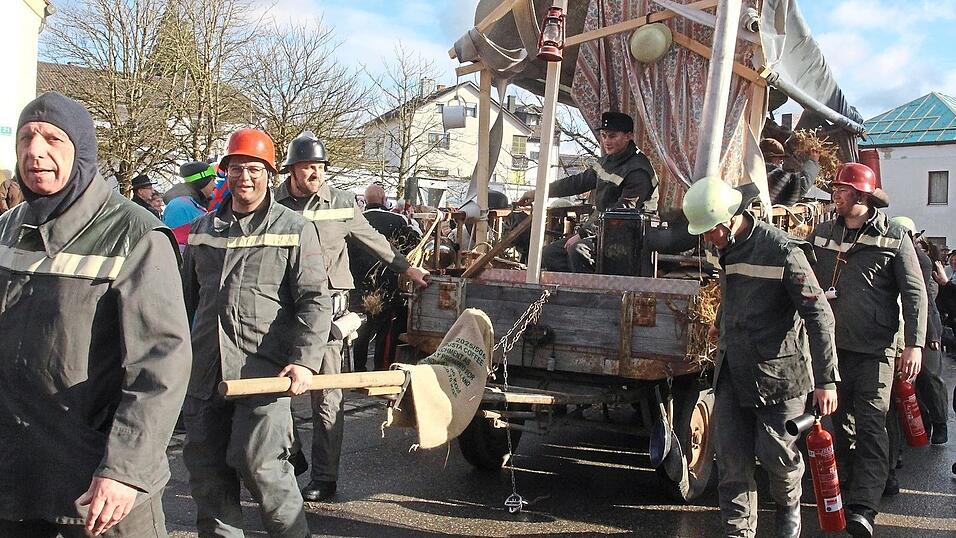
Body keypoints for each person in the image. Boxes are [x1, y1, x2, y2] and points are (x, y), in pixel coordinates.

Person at [0, 92, 191, 537]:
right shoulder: (9, 228)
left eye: (52, 139)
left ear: (82, 150)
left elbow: (162, 362)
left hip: (98, 489)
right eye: (27, 138)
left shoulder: (135, 234)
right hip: (15, 476)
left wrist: (125, 469)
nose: (35, 151)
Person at [181, 128, 332, 537]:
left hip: (263, 375)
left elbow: (316, 301)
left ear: (269, 173)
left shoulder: (295, 228)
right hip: (206, 376)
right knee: (209, 479)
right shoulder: (201, 230)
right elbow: (185, 304)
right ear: (224, 173)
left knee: (265, 471)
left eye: (253, 169)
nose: (244, 178)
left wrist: (303, 362)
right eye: (235, 169)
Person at [274, 130, 429, 502]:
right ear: (292, 170)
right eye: (308, 167)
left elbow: (373, 240)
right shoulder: (272, 201)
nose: (316, 174)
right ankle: (291, 451)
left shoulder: (341, 203)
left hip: (326, 310)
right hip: (280, 308)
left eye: (320, 167)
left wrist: (408, 269)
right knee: (272, 389)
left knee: (326, 396)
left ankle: (325, 479)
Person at [682, 177, 838, 538]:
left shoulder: (783, 251)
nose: (707, 239)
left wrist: (827, 380)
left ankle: (788, 512)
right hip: (734, 373)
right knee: (733, 465)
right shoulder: (726, 247)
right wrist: (721, 323)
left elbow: (819, 315)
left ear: (732, 217)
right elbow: (733, 290)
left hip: (779, 379)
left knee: (777, 461)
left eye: (711, 231)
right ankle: (738, 532)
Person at [808, 163, 926, 538]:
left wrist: (915, 344)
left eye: (841, 189)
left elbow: (914, 293)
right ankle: (844, 486)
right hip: (832, 351)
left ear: (860, 196)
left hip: (877, 351)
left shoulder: (894, 237)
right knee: (839, 426)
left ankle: (863, 508)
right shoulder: (822, 233)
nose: (834, 195)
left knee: (873, 424)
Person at [518, 112, 657, 273]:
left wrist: (583, 234)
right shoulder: (607, 161)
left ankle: (595, 295)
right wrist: (538, 192)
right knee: (550, 254)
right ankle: (570, 294)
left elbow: (620, 214)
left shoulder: (638, 170)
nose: (606, 141)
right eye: (603, 136)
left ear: (628, 136)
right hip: (603, 230)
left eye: (612, 136)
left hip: (628, 236)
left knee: (578, 250)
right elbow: (576, 183)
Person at [349, 183, 422, 371]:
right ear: (384, 200)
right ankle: (380, 370)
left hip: (358, 286)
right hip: (388, 287)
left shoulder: (355, 221)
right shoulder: (398, 220)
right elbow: (414, 246)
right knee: (384, 332)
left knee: (360, 330)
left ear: (365, 201)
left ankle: (357, 369)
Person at [163, 160, 218, 247]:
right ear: (203, 181)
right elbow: (177, 246)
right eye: (213, 180)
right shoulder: (179, 207)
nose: (215, 185)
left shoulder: (196, 204)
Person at [761, 138, 819, 206]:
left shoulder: (756, 170)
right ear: (767, 157)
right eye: (778, 157)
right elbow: (801, 186)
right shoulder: (770, 173)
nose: (781, 161)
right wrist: (813, 162)